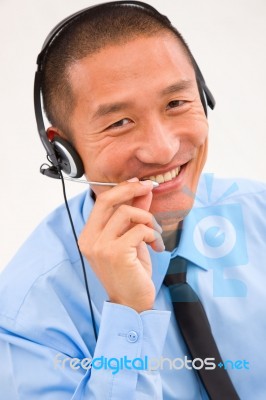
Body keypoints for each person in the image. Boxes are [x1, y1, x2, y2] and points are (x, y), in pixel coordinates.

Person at [0, 1, 265, 399]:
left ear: (204, 98)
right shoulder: (25, 313)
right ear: (64, 153)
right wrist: (129, 313)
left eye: (176, 103)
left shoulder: (259, 214)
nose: (161, 150)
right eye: (119, 122)